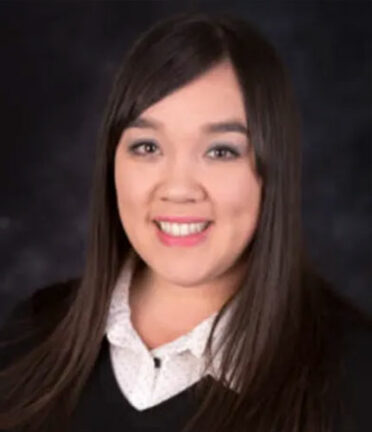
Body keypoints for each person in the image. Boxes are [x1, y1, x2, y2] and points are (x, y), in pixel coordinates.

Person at [0, 11, 371, 432]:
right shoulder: (30, 334)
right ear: (111, 164)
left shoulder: (355, 379)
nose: (178, 188)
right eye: (147, 146)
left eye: (220, 152)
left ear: (273, 170)